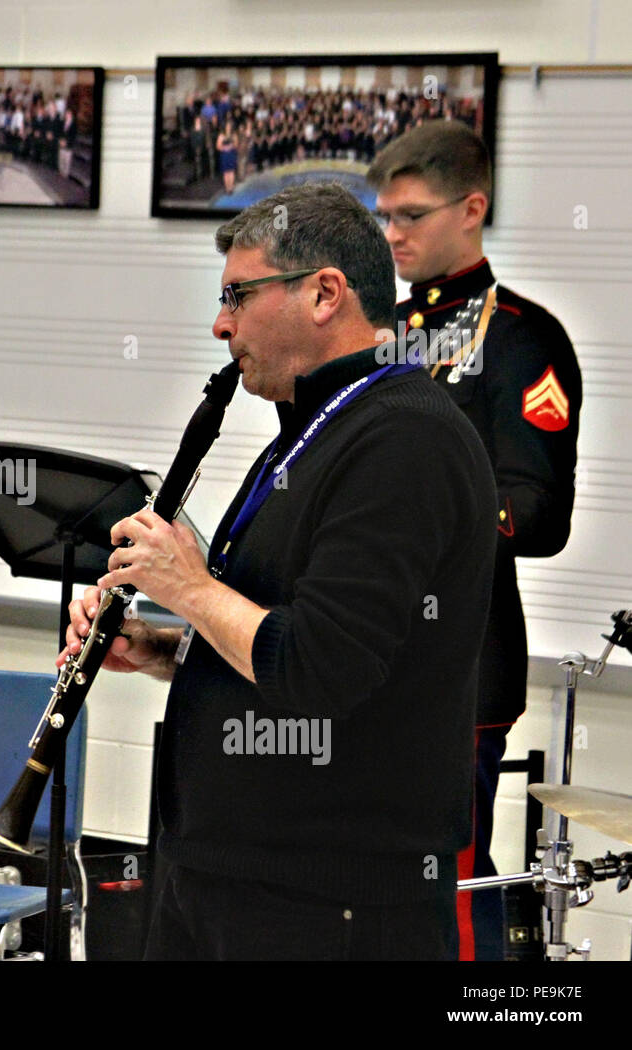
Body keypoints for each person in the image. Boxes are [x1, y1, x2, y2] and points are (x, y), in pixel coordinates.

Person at [61, 183, 497, 960]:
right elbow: (272, 626)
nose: (221, 324)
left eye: (239, 295)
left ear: (325, 293)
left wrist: (191, 587)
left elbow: (319, 667)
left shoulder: (404, 441)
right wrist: (164, 644)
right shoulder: (310, 429)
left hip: (327, 908)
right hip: (223, 878)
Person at [367, 121, 582, 961]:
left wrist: (431, 512)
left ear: (473, 208)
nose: (392, 235)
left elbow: (539, 512)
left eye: (412, 215)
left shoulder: (521, 336)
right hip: (362, 645)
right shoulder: (380, 329)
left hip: (458, 658)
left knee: (446, 885)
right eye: (384, 216)